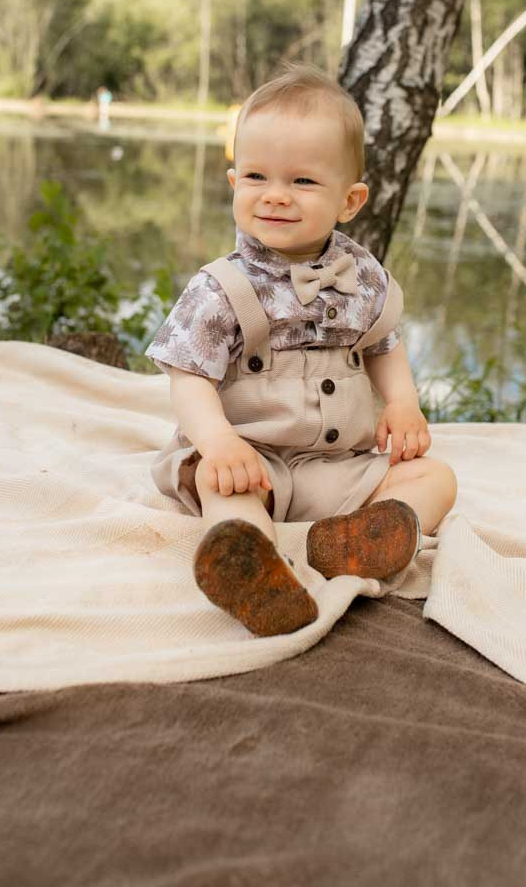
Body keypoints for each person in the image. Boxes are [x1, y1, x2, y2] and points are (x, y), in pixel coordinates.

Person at [147, 64, 457, 637]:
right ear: (234, 181)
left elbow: (384, 344)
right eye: (257, 176)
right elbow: (187, 376)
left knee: (435, 477)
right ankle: (250, 564)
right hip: (251, 459)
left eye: (303, 182)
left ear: (350, 200)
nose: (276, 196)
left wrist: (402, 404)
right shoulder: (221, 287)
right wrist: (218, 442)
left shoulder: (361, 276)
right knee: (223, 489)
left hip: (335, 468)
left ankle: (354, 542)